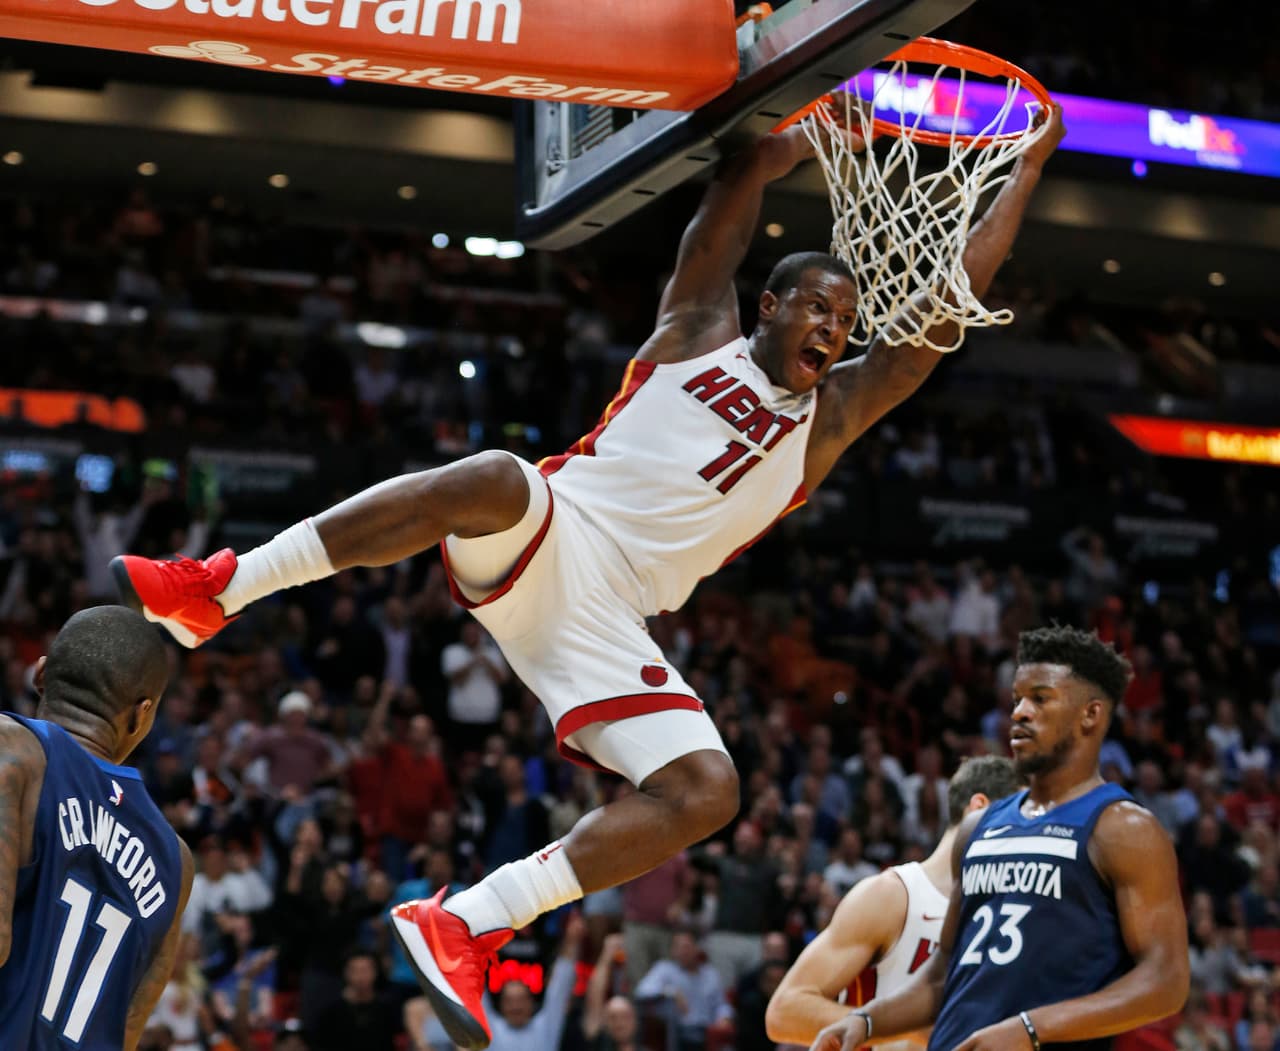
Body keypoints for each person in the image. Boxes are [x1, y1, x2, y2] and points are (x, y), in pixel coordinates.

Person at [112, 104, 1065, 1051]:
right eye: (817, 305)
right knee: (494, 476)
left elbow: (938, 319)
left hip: (611, 615)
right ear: (769, 307)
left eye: (846, 320)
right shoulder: (698, 330)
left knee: (707, 789)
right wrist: (781, 140)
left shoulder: (828, 419)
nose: (834, 327)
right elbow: (728, 196)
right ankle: (216, 588)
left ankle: (470, 919)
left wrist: (1023, 169)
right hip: (552, 528)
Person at [808, 625, 1190, 1051]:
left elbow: (1167, 981)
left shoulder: (1123, 829)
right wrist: (865, 1021)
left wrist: (1031, 1028)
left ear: (1091, 714)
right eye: (1017, 700)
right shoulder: (978, 827)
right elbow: (941, 976)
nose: (1019, 713)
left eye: (1040, 699)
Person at [0, 605, 195, 1050]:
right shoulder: (175, 862)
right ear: (141, 714)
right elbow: (126, 1031)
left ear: (41, 675)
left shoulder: (11, 751)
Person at [765, 756, 1023, 1047]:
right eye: (1024, 821)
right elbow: (785, 1011)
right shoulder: (894, 895)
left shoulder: (1010, 913)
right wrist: (902, 1027)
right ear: (980, 808)